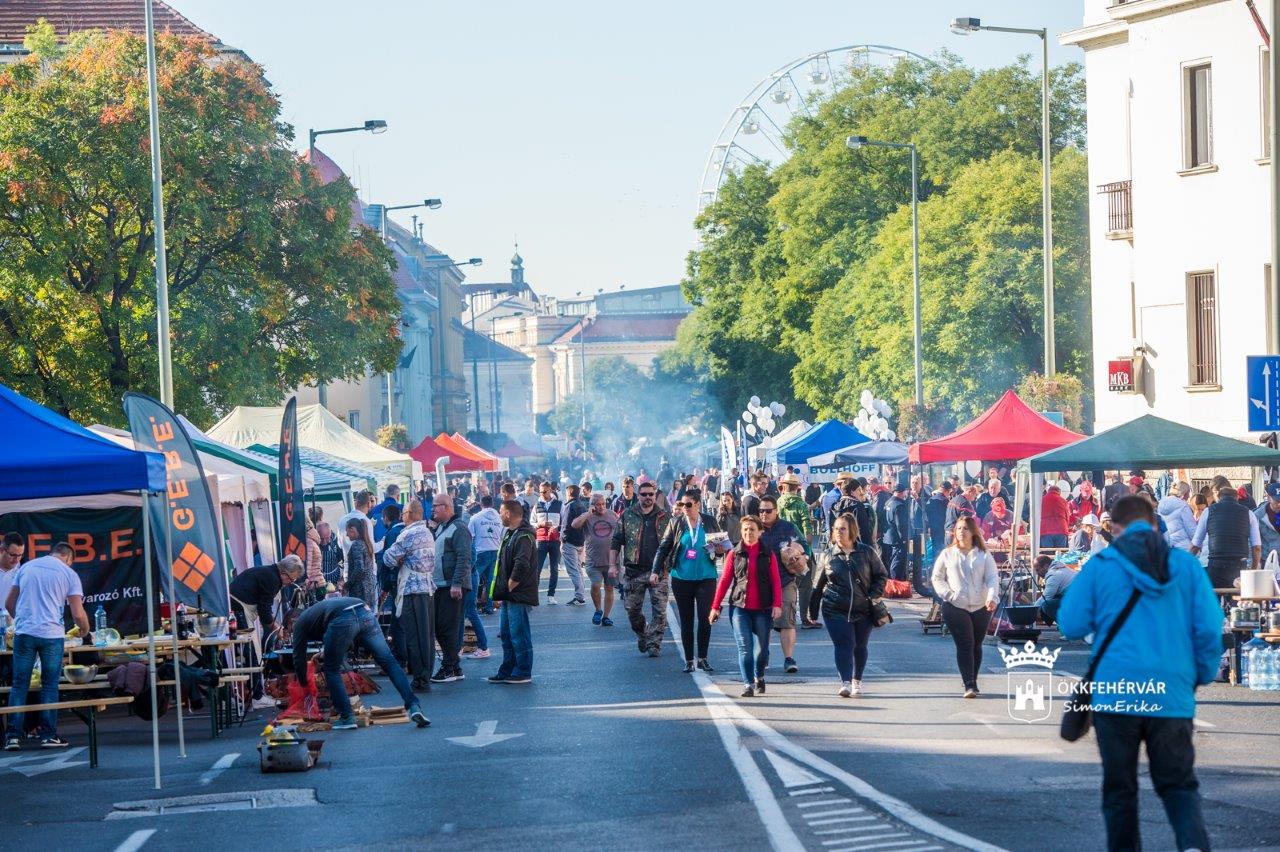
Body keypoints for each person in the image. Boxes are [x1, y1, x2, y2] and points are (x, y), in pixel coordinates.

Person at [1057, 495, 1222, 852]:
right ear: (1154, 524)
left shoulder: (1101, 565)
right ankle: (1192, 846)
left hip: (1116, 695)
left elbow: (1070, 622)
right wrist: (1202, 674)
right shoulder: (1185, 566)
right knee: (1178, 785)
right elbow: (1210, 628)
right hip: (1171, 695)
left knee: (1120, 790)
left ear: (1114, 528)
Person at [290, 596, 428, 729]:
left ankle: (346, 717)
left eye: (288, 628)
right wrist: (326, 653)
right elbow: (347, 641)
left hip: (343, 617)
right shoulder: (315, 614)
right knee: (389, 662)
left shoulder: (299, 623)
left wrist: (303, 683)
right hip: (363, 611)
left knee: (331, 669)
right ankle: (414, 706)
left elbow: (298, 656)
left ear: (291, 621)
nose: (289, 632)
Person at [3, 542, 90, 750]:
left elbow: (8, 603)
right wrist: (85, 630)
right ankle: (48, 735)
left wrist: (22, 620)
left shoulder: (26, 567)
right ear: (69, 559)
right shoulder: (69, 574)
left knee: (19, 684)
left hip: (24, 633)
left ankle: (12, 736)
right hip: (52, 635)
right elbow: (78, 613)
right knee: (49, 684)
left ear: (52, 552)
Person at [814, 512, 887, 698]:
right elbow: (817, 585)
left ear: (852, 531)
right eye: (836, 529)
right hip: (834, 609)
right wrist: (811, 612)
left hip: (863, 608)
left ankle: (857, 680)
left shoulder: (866, 552)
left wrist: (874, 594)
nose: (839, 532)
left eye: (843, 529)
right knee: (843, 644)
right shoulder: (827, 556)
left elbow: (881, 575)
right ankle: (845, 682)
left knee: (860, 646)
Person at [709, 516, 782, 698]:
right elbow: (725, 580)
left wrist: (777, 604)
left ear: (760, 532)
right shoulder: (735, 553)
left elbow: (775, 581)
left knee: (762, 651)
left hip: (763, 609)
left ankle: (759, 675)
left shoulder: (768, 554)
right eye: (745, 529)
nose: (748, 533)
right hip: (740, 607)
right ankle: (748, 684)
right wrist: (715, 606)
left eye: (752, 529)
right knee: (745, 648)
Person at [654, 488, 724, 673]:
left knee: (705, 618)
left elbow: (721, 546)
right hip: (681, 577)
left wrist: (719, 551)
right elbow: (664, 547)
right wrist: (656, 570)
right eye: (681, 504)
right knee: (686, 619)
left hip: (706, 577)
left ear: (698, 504)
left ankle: (703, 658)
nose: (684, 508)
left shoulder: (709, 521)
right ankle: (689, 660)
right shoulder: (676, 522)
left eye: (688, 504)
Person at [930, 516, 998, 698]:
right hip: (955, 605)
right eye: (959, 528)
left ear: (973, 531)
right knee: (965, 643)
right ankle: (968, 683)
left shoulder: (983, 554)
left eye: (965, 528)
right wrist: (949, 595)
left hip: (980, 605)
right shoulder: (948, 553)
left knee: (976, 644)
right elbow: (937, 577)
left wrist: (992, 597)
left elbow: (992, 577)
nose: (961, 531)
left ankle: (973, 681)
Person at [379, 499, 436, 689]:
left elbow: (388, 558)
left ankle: (420, 678)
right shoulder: (427, 532)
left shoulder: (408, 534)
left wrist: (400, 559)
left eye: (404, 513)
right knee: (426, 635)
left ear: (410, 513)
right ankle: (425, 672)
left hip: (412, 589)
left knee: (414, 635)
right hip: (427, 587)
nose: (402, 516)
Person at [611, 480, 670, 657]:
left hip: (658, 572)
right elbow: (616, 540)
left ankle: (654, 644)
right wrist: (611, 565)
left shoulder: (664, 516)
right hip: (633, 571)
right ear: (638, 495)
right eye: (644, 494)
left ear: (655, 495)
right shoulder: (628, 515)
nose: (647, 498)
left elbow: (673, 543)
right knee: (632, 611)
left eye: (651, 494)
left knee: (660, 611)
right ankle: (643, 633)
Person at [488, 499, 538, 684]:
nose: (499, 515)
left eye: (501, 512)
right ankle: (508, 669)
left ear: (508, 513)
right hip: (509, 595)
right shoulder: (511, 534)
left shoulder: (523, 536)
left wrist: (508, 587)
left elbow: (522, 564)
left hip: (518, 594)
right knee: (507, 635)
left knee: (519, 634)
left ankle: (523, 671)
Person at [758, 495, 807, 674]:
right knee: (763, 623)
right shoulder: (755, 529)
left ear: (776, 511)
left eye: (768, 511)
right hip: (761, 583)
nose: (764, 514)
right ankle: (764, 655)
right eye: (761, 510)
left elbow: (805, 546)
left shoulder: (788, 528)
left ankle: (788, 658)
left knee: (787, 621)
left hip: (785, 580)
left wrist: (798, 550)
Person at [428, 494, 472, 683]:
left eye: (436, 506)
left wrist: (456, 583)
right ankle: (453, 666)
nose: (433, 510)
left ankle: (449, 667)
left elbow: (464, 557)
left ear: (446, 507)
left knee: (448, 628)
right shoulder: (442, 528)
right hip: (441, 585)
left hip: (452, 586)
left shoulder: (459, 528)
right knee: (441, 627)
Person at [1191, 485, 1262, 588]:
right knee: (1237, 601)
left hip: (1216, 566)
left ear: (1218, 498)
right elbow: (1257, 548)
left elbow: (1195, 545)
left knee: (1215, 601)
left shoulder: (1208, 512)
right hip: (1239, 565)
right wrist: (1253, 570)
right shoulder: (1249, 513)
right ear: (1237, 498)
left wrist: (1184, 563)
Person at [777, 473, 819, 628]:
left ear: (784, 486)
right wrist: (807, 551)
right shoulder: (801, 504)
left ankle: (788, 618)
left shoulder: (779, 502)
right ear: (797, 487)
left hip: (782, 549)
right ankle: (804, 619)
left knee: (788, 585)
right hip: (799, 548)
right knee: (805, 584)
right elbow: (807, 527)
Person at [229, 554, 304, 640]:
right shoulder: (273, 579)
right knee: (246, 645)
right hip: (239, 607)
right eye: (291, 579)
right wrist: (276, 628)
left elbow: (265, 609)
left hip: (236, 604)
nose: (291, 583)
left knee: (241, 642)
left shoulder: (270, 572)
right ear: (283, 573)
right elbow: (264, 611)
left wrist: (276, 625)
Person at [575, 492, 619, 626]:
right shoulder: (587, 516)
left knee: (609, 588)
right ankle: (598, 610)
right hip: (593, 560)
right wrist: (588, 514)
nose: (601, 507)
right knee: (596, 584)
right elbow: (574, 525)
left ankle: (606, 616)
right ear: (592, 505)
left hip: (611, 561)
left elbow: (622, 530)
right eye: (598, 504)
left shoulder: (612, 514)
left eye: (603, 504)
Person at [468, 494, 503, 618]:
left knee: (473, 580)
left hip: (480, 552)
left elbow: (470, 537)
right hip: (495, 551)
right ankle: (489, 606)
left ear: (481, 504)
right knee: (490, 582)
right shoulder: (499, 518)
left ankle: (472, 607)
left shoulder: (475, 518)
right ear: (492, 504)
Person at [532, 481, 564, 605]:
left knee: (554, 569)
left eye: (544, 491)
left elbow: (564, 521)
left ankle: (551, 595)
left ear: (550, 490)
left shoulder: (559, 504)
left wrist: (558, 530)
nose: (542, 494)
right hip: (541, 540)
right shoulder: (537, 504)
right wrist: (539, 524)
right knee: (537, 568)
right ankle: (534, 595)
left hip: (555, 540)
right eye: (540, 492)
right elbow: (531, 522)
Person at [558, 484, 589, 607]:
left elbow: (566, 525)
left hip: (570, 541)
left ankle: (579, 596)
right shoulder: (581, 505)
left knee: (573, 570)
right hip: (580, 540)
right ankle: (581, 595)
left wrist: (563, 539)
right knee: (578, 569)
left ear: (569, 493)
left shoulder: (570, 506)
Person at [343, 517, 378, 609]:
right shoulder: (366, 543)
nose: (346, 534)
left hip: (360, 590)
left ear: (353, 529)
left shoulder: (357, 545)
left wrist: (348, 584)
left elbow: (359, 568)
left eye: (347, 531)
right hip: (369, 588)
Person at [1035, 554, 1080, 623]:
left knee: (1047, 606)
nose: (1037, 573)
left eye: (1038, 570)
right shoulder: (1062, 568)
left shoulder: (1053, 575)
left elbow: (1046, 597)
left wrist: (1032, 609)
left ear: (1046, 566)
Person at [882, 480, 911, 583]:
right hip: (897, 538)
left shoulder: (888, 502)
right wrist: (904, 538)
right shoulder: (899, 505)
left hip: (888, 537)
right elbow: (901, 525)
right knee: (897, 562)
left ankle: (893, 582)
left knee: (892, 560)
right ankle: (896, 584)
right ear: (902, 492)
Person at [1157, 482, 1198, 551]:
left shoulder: (1161, 504)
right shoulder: (1183, 506)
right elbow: (1191, 530)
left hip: (1167, 546)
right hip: (1184, 548)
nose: (1189, 496)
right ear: (1184, 493)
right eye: (1188, 492)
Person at [338, 490, 377, 560]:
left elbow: (340, 545)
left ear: (355, 503)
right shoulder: (366, 521)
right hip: (365, 566)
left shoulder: (341, 520)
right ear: (369, 504)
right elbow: (372, 548)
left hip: (348, 565)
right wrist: (383, 542)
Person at [923, 481, 951, 569]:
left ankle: (934, 571)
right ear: (947, 491)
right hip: (942, 530)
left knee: (935, 552)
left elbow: (926, 515)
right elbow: (948, 517)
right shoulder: (945, 501)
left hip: (933, 529)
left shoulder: (931, 499)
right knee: (942, 552)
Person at [1040, 482, 1072, 549]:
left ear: (1048, 491)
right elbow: (1067, 516)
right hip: (1061, 530)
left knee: (1047, 555)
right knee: (1060, 555)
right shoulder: (1063, 501)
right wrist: (1067, 527)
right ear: (1059, 492)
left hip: (1045, 530)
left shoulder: (1041, 500)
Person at [1254, 482, 1280, 564]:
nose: (1279, 504)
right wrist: (1254, 563)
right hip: (1267, 561)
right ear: (1268, 498)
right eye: (1277, 501)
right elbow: (1252, 541)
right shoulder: (1257, 516)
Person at [315, 522, 343, 591]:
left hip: (335, 582)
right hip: (318, 583)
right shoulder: (313, 543)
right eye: (321, 539)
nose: (324, 542)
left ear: (330, 533)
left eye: (327, 538)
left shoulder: (337, 542)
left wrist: (342, 580)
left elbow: (346, 561)